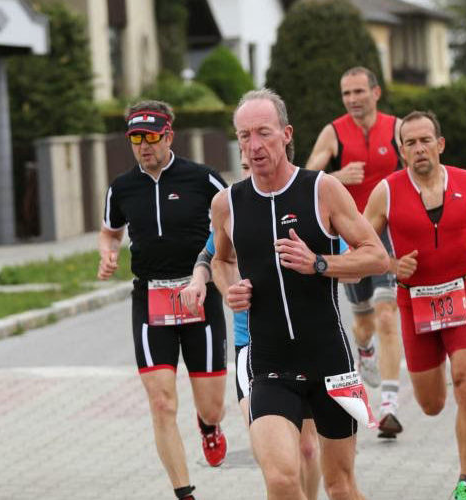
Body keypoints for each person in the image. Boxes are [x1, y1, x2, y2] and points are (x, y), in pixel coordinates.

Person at [212, 89, 389, 500]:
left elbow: (377, 256)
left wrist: (319, 264)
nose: (254, 146)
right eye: (244, 136)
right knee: (281, 480)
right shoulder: (227, 204)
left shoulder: (322, 189)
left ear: (286, 134)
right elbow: (220, 260)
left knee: (340, 487)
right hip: (270, 362)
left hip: (329, 359)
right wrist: (228, 289)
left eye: (263, 133)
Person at [362, 110, 466, 500]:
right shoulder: (387, 192)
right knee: (431, 404)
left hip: (462, 293)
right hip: (414, 303)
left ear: (440, 144)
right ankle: (438, 382)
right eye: (409, 143)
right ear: (401, 151)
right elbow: (359, 244)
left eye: (425, 140)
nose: (419, 149)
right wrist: (392, 265)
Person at [97, 100, 229, 500]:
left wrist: (220, 267)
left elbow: (232, 220)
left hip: (199, 296)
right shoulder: (121, 188)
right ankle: (184, 492)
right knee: (161, 402)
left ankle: (208, 426)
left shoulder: (203, 179)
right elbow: (110, 231)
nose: (144, 146)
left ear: (169, 136)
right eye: (136, 138)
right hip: (150, 298)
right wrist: (108, 251)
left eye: (151, 137)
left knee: (212, 407)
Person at [180, 156, 324, 500]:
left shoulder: (308, 204)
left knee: (306, 449)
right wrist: (200, 282)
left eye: (253, 166)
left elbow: (347, 255)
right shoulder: (237, 208)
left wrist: (319, 265)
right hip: (255, 348)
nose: (250, 174)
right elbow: (209, 255)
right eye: (243, 168)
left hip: (309, 344)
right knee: (276, 460)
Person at [305, 66, 406, 438]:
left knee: (386, 315)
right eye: (346, 94)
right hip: (349, 239)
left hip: (387, 235)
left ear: (376, 93)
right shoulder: (334, 132)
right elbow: (308, 171)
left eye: (359, 92)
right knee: (363, 323)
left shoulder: (395, 129)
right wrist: (335, 176)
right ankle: (364, 352)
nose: (352, 100)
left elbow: (415, 169)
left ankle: (390, 407)